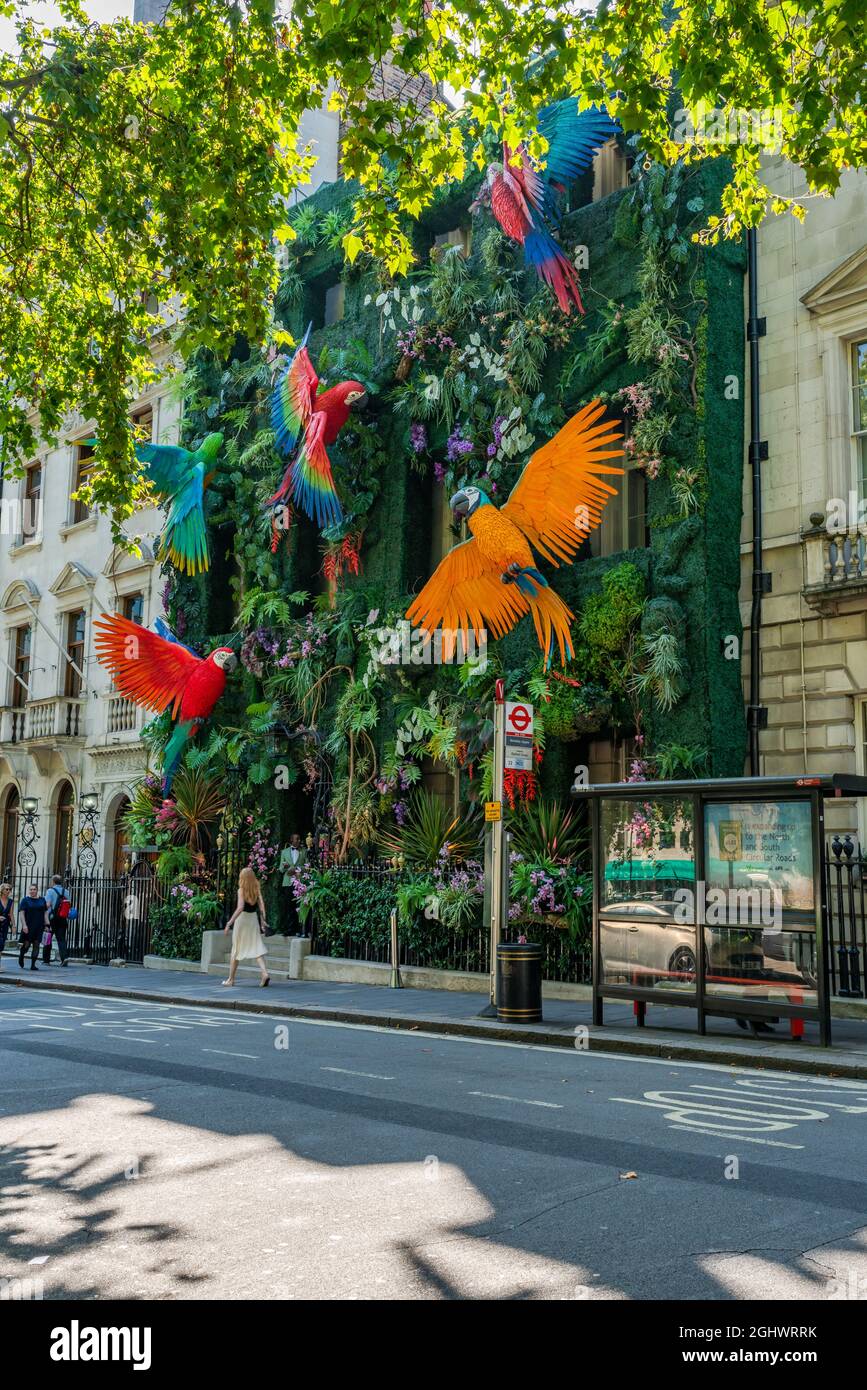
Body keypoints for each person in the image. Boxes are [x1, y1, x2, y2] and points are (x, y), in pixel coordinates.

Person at [222, 866, 270, 987]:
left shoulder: (241, 890)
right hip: (253, 919)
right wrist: (263, 921)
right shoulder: (256, 887)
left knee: (236, 949)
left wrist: (230, 922)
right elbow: (262, 906)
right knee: (257, 946)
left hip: (242, 920)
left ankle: (230, 980)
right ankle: (264, 973)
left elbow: (240, 908)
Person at [278, 833, 308, 935]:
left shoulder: (304, 851)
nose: (299, 841)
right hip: (288, 882)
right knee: (288, 906)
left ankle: (299, 930)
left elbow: (307, 866)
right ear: (291, 840)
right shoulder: (284, 852)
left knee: (299, 906)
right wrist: (286, 867)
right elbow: (281, 869)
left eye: (299, 839)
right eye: (297, 839)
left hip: (299, 883)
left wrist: (296, 869)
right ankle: (289, 929)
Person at [17, 883, 48, 971]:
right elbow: (22, 913)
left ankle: (33, 965)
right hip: (29, 926)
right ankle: (22, 954)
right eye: (31, 889)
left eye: (34, 889)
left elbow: (45, 913)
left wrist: (47, 924)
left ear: (37, 890)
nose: (32, 891)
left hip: (39, 926)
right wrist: (24, 925)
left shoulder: (42, 900)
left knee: (36, 944)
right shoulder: (25, 900)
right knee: (26, 944)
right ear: (29, 890)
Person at [45, 874, 71, 966]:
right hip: (63, 918)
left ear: (53, 882)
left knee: (48, 939)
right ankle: (64, 958)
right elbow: (68, 905)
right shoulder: (66, 891)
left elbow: (47, 905)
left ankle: (46, 960)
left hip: (51, 918)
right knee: (61, 939)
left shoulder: (50, 891)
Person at [0, 883, 13, 970]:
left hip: (5, 926)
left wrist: (14, 926)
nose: (8, 891)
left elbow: (11, 914)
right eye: (6, 889)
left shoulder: (10, 901)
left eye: (9, 889)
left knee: (1, 946)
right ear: (2, 890)